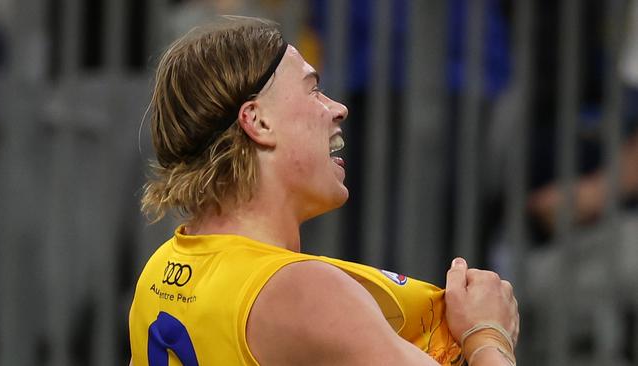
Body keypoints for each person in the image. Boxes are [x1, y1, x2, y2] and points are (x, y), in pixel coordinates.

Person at [128, 16, 519, 366]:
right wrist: (487, 333)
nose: (338, 108)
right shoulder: (303, 291)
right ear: (258, 121)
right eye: (313, 90)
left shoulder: (161, 269)